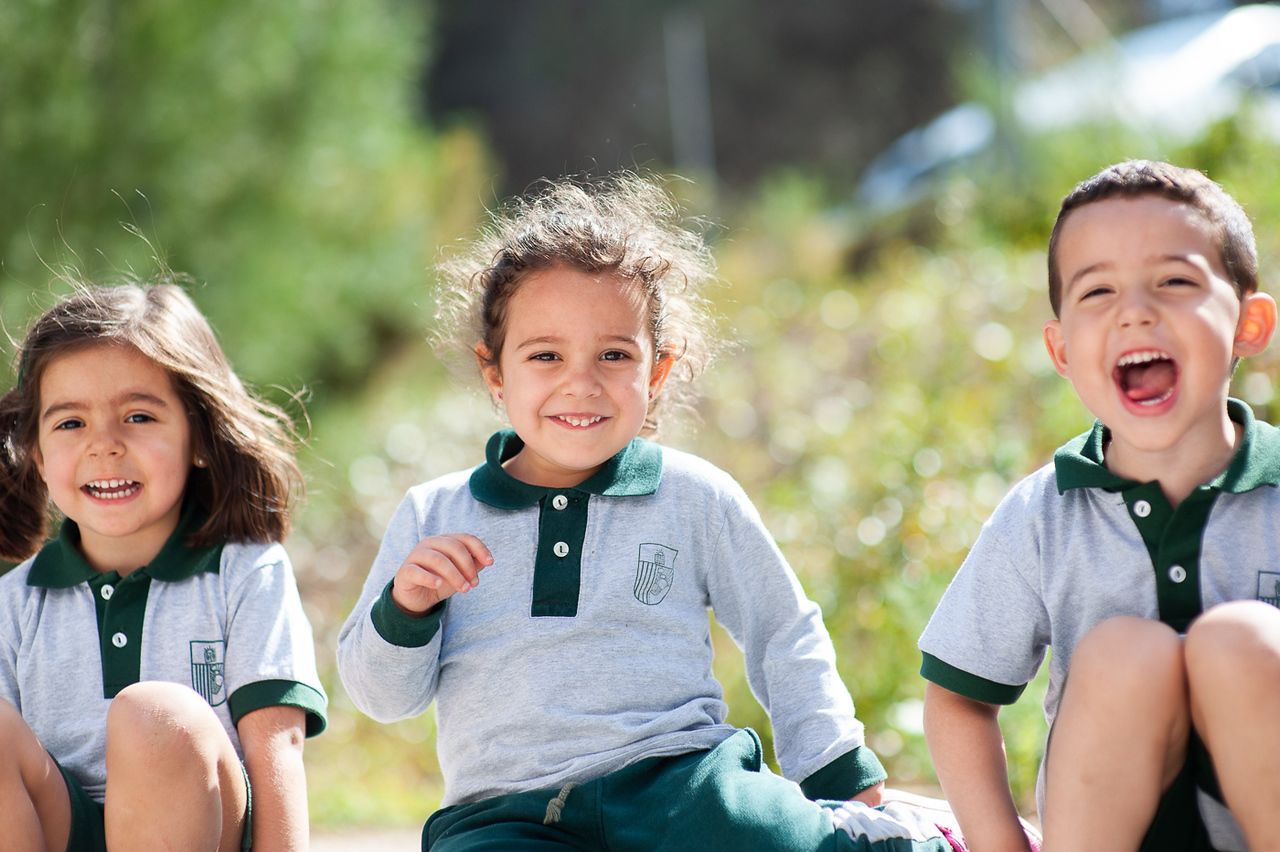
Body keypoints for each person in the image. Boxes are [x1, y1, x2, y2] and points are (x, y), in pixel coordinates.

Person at [336, 174, 969, 851]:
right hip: (505, 815)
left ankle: (906, 837)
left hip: (681, 787)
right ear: (495, 373)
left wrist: (840, 772)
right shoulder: (434, 512)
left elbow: (782, 632)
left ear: (658, 371)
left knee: (773, 835)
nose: (580, 380)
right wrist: (406, 608)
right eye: (545, 355)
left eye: (614, 355)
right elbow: (382, 697)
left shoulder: (695, 497)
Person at [919, 160, 1280, 851]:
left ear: (1249, 325)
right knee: (1121, 654)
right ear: (1061, 349)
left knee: (1243, 642)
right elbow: (959, 699)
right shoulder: (1044, 516)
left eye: (1175, 282)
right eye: (1097, 291)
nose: (1134, 311)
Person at [0, 281, 328, 851]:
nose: (104, 445)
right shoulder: (16, 601)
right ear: (35, 451)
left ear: (199, 435)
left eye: (139, 417)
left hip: (204, 829)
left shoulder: (247, 573)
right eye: (70, 423)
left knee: (156, 715)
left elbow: (279, 752)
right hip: (61, 826)